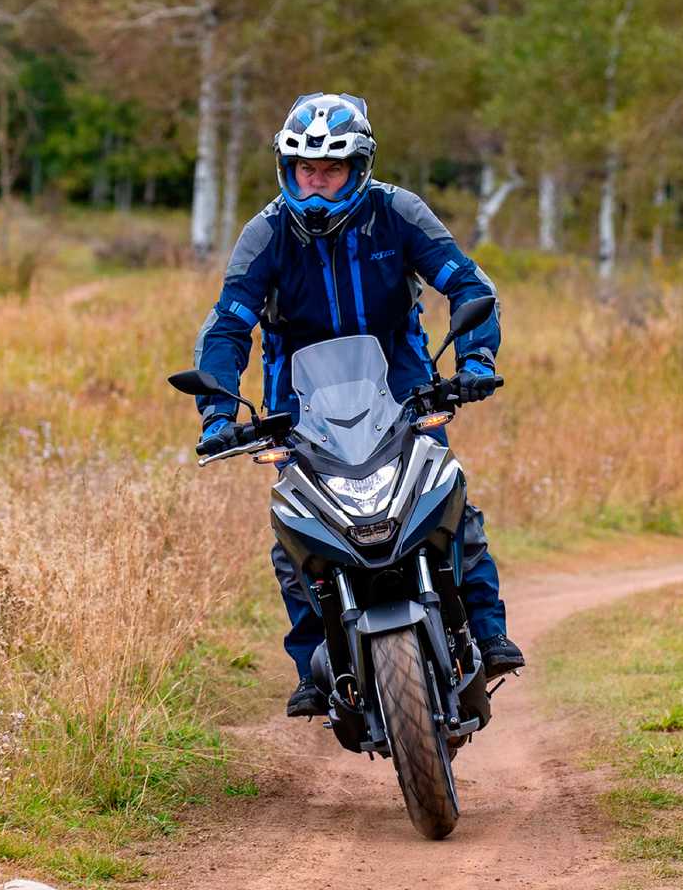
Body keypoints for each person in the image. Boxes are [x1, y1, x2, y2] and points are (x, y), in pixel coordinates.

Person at [190, 91, 524, 718]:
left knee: (452, 508)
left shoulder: (398, 212)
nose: (315, 184)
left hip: (405, 394)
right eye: (303, 170)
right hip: (300, 411)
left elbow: (468, 284)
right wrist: (219, 413)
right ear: (287, 169)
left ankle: (485, 628)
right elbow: (228, 326)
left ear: (359, 167)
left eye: (330, 169)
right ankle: (316, 664)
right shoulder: (265, 234)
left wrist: (474, 362)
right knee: (297, 540)